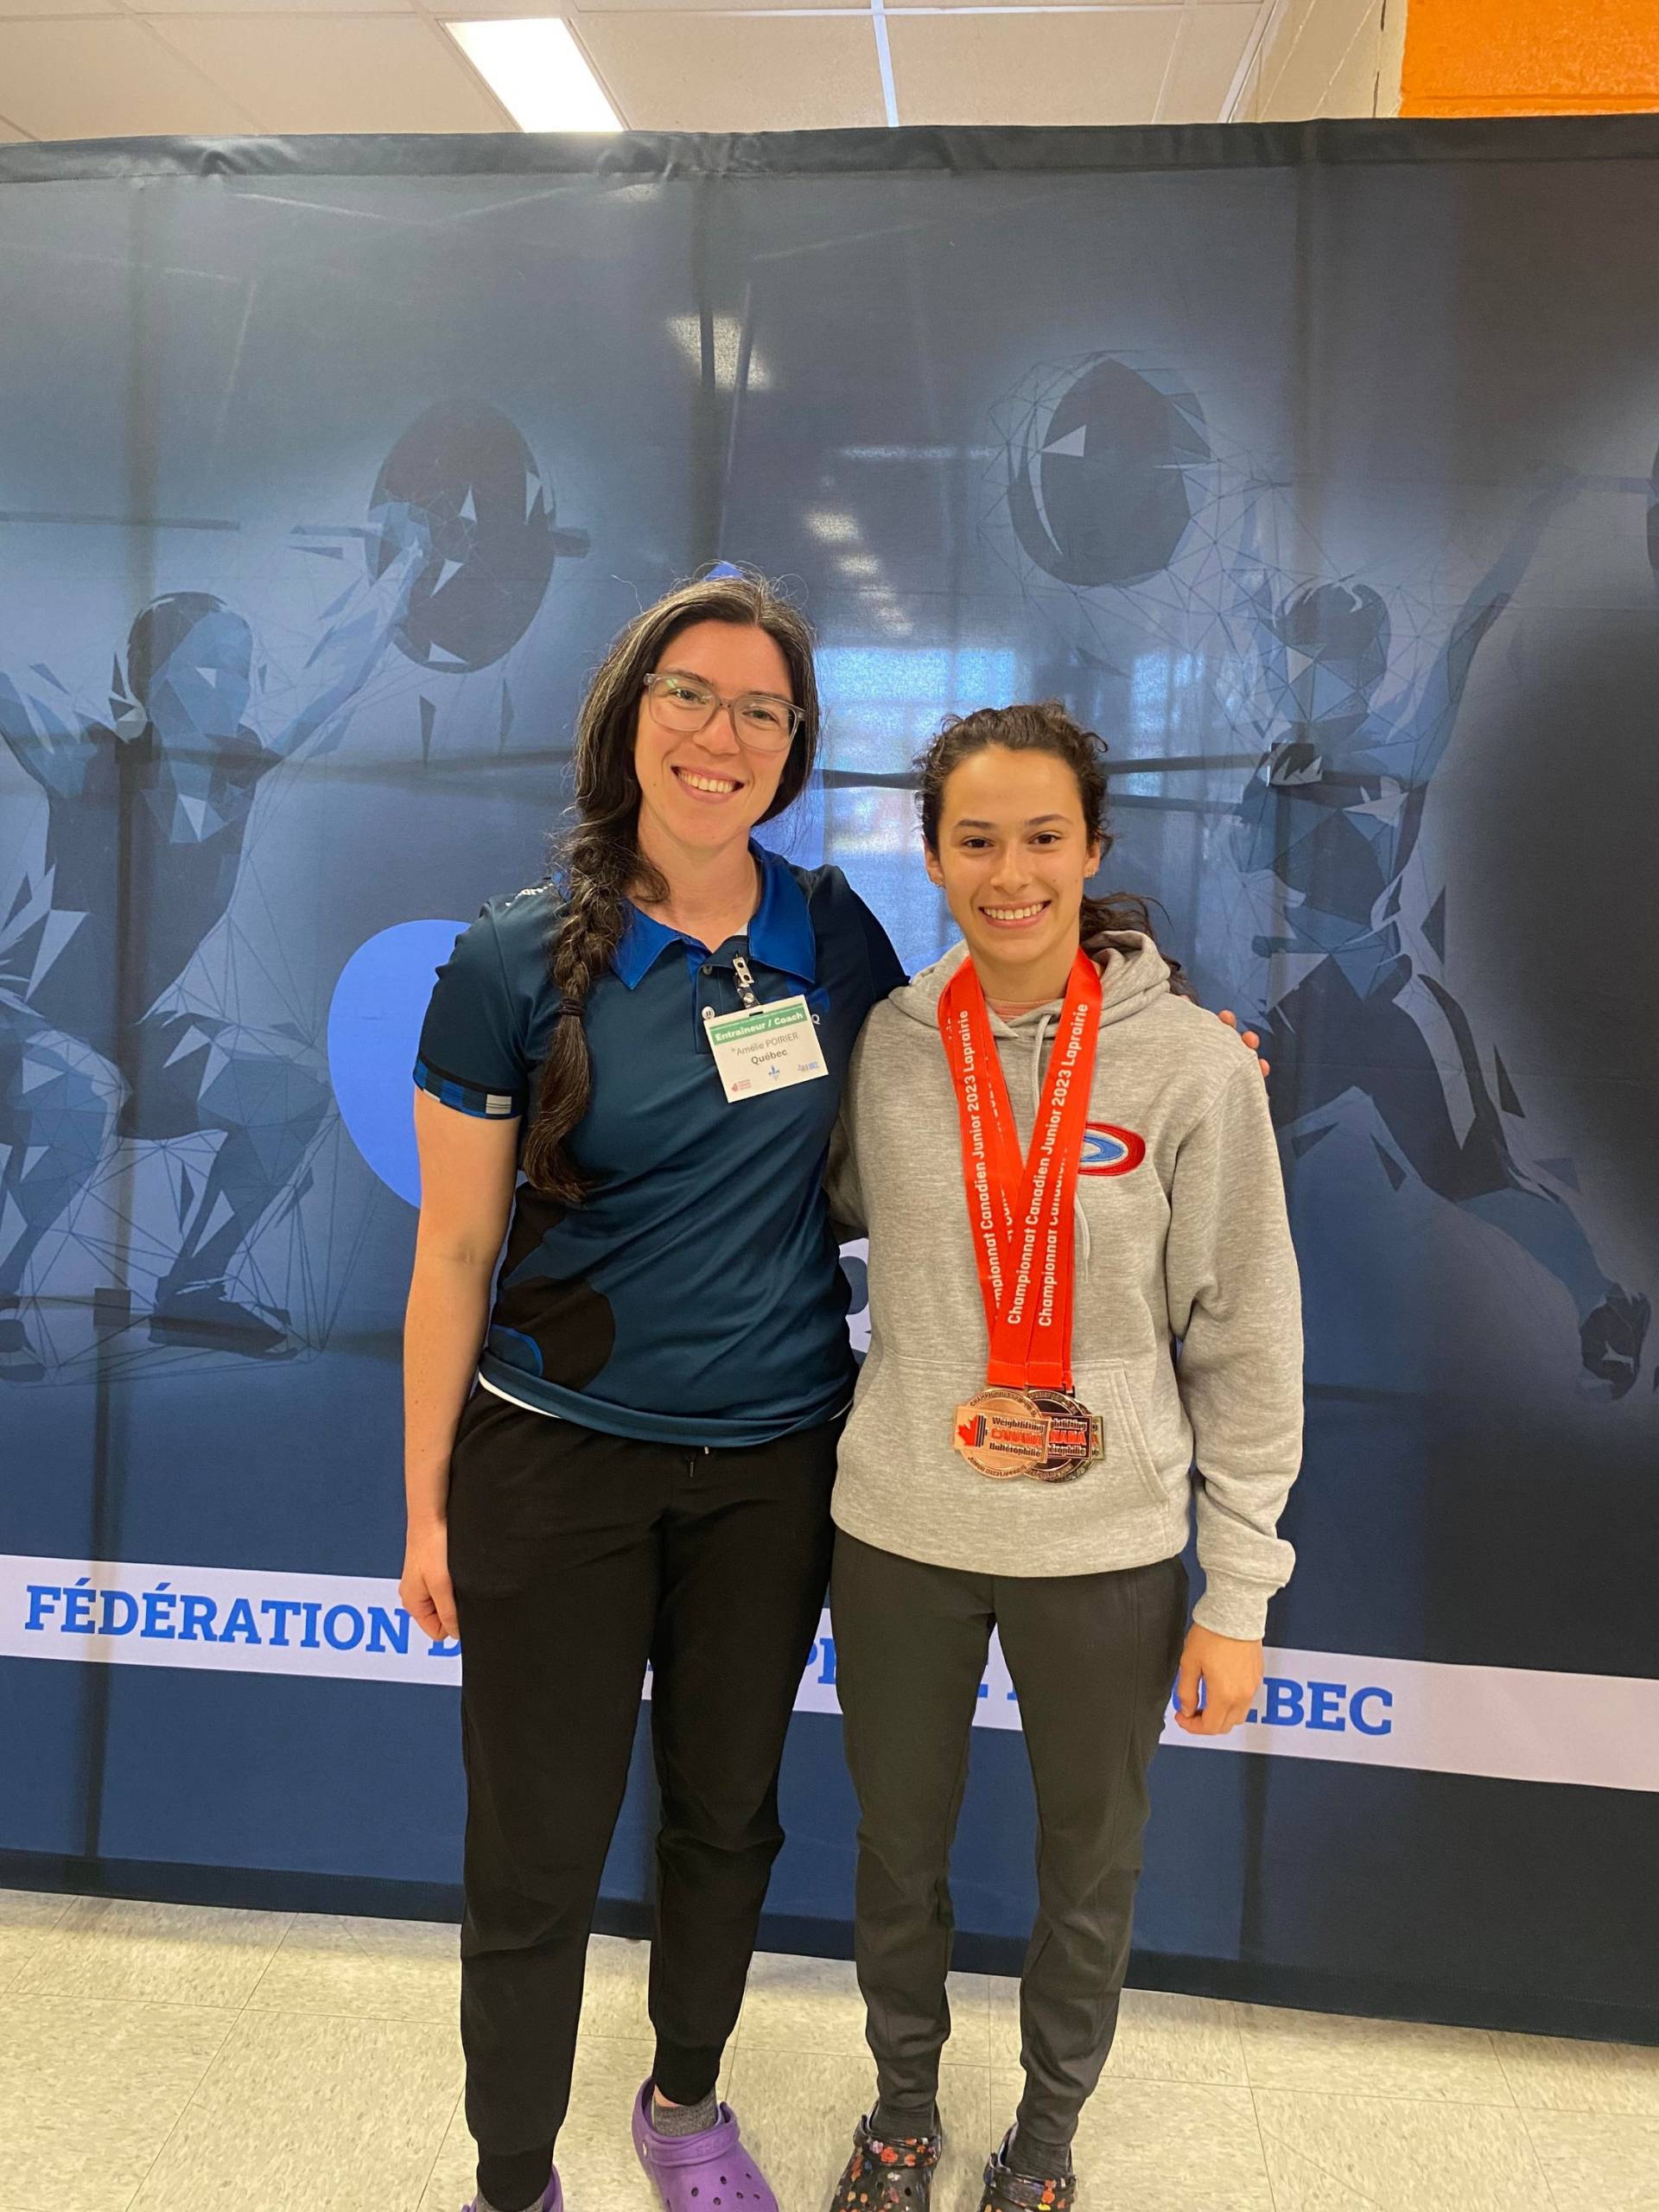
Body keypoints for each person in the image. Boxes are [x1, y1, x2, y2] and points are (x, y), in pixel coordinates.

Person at [399, 571, 906, 2212]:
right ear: (628, 713)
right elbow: (456, 1256)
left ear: (795, 747)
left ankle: (683, 2106)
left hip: (773, 1468)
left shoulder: (828, 936)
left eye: (763, 710)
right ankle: (510, 2176)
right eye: (690, 694)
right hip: (554, 1461)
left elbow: (982, 1062)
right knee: (535, 1852)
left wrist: (1159, 1013)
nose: (722, 735)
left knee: (727, 1821)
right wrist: (422, 1508)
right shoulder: (510, 960)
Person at [824, 702, 1304, 2212]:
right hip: (901, 1521)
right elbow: (816, 1210)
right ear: (936, 860)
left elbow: (1246, 1338)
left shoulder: (1195, 1069)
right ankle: (903, 2114)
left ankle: (1046, 2141)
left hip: (1104, 1543)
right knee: (897, 1855)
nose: (1011, 872)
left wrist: (1240, 1589)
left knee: (1087, 1872)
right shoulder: (892, 1048)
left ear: (1093, 852)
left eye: (1044, 837)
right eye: (976, 841)